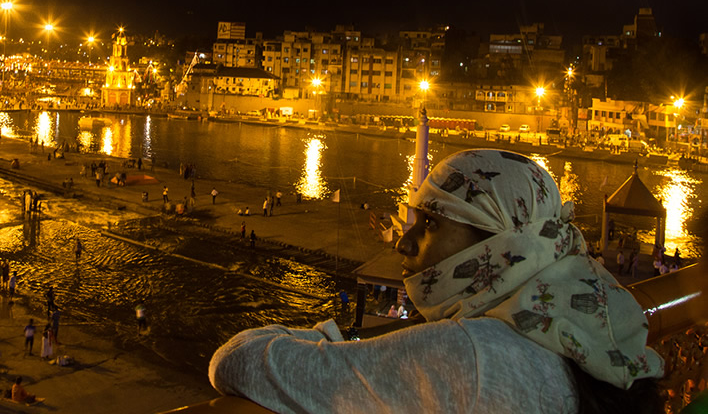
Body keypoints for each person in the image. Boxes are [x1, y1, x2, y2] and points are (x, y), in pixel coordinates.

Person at [209, 149, 665, 413]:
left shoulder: (471, 352)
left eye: (429, 224)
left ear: (498, 243)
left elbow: (235, 361)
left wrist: (332, 340)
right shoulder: (590, 321)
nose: (403, 243)